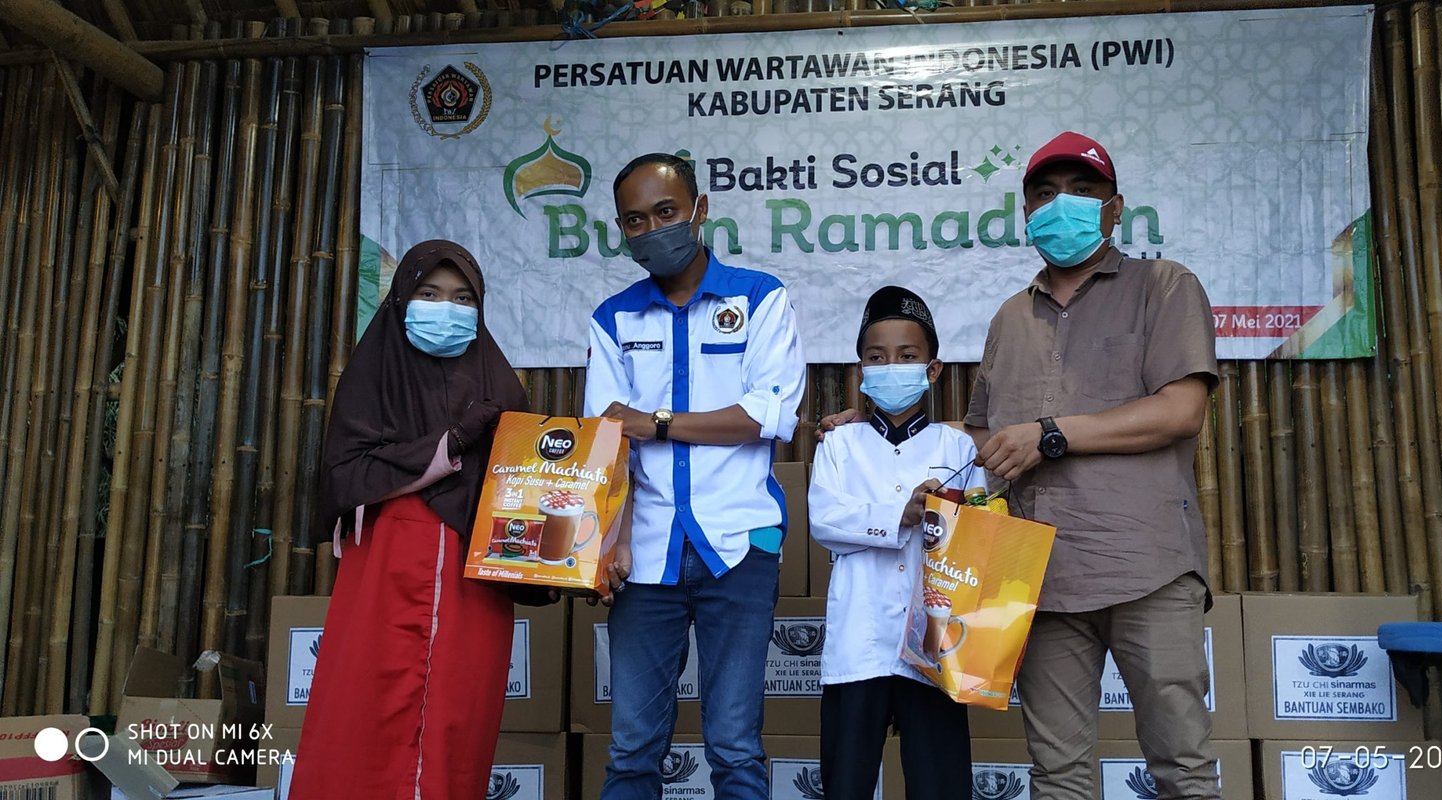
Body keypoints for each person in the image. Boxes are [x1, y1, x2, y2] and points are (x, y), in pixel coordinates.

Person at [823, 131, 1221, 800]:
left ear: (1115, 207)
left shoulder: (1164, 285)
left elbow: (1182, 410)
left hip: (1146, 567)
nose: (1062, 204)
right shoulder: (1011, 318)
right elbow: (986, 434)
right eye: (1045, 193)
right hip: (1040, 579)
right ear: (1027, 212)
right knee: (1058, 775)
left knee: (1181, 765)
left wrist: (1053, 435)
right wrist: (878, 423)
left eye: (1083, 190)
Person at [583, 153, 807, 799]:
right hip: (642, 555)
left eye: (666, 212)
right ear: (621, 230)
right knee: (631, 749)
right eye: (635, 220)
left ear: (700, 210)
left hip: (739, 544)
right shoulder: (613, 318)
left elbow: (766, 417)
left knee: (735, 748)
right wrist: (610, 543)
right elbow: (607, 440)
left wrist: (654, 423)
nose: (653, 229)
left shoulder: (759, 298)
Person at [293, 240, 549, 800]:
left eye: (462, 298)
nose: (445, 309)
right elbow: (347, 474)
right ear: (401, 299)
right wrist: (449, 444)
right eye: (429, 294)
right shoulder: (372, 377)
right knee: (366, 709)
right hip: (385, 569)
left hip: (472, 581)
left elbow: (530, 494)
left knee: (458, 719)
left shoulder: (501, 387)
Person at [809, 286, 979, 800]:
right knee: (846, 785)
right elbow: (824, 518)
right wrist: (900, 515)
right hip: (858, 644)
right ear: (861, 369)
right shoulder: (839, 444)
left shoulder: (959, 447)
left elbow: (977, 541)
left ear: (933, 369)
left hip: (937, 648)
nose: (891, 367)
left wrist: (952, 516)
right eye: (877, 357)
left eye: (907, 356)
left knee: (940, 786)